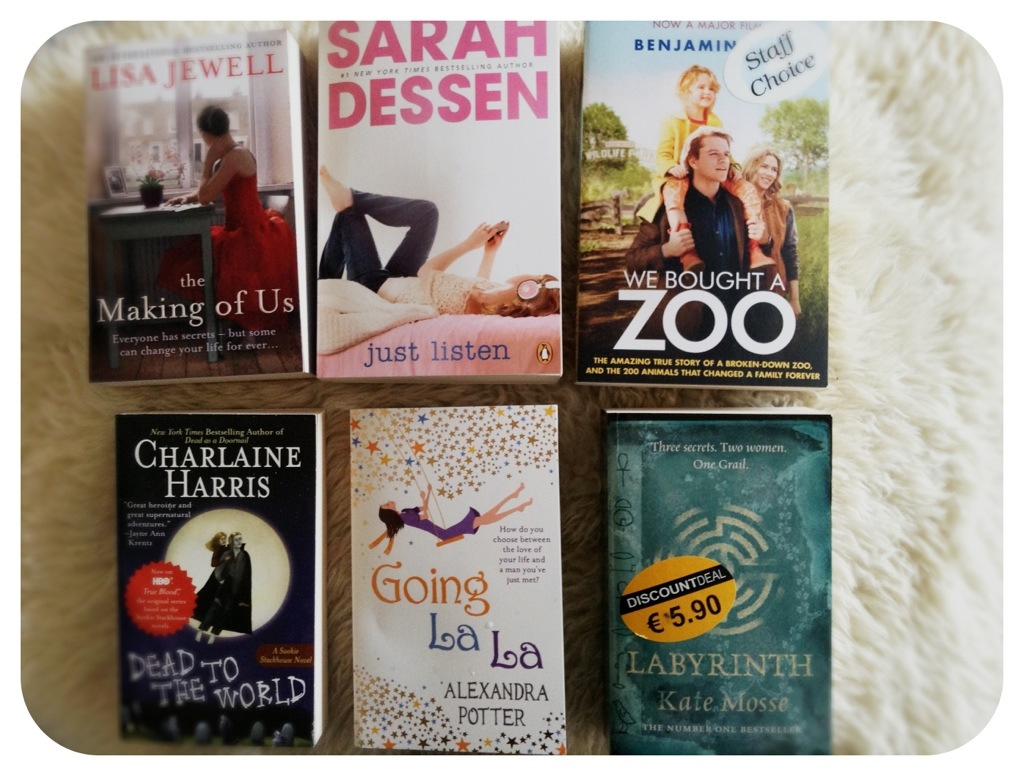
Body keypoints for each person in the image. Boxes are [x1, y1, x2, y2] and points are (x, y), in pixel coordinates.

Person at [318, 166, 559, 318]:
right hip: (401, 282)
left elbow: (427, 272)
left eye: (532, 277)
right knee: (427, 213)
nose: (527, 273)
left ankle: (326, 281)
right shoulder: (489, 302)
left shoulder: (480, 301)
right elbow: (482, 286)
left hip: (375, 288)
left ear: (526, 288)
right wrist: (489, 252)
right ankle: (351, 199)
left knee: (349, 216)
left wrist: (469, 244)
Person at [158, 105, 299, 331]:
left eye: (204, 138)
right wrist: (186, 197)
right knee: (194, 256)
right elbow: (210, 191)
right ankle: (243, 329)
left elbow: (205, 197)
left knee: (227, 271)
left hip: (250, 232)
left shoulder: (235, 156)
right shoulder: (231, 156)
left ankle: (248, 330)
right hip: (238, 230)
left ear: (206, 136)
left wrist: (207, 163)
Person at [624, 127, 768, 347]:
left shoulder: (739, 205)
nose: (723, 160)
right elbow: (632, 261)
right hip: (685, 323)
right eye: (713, 154)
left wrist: (765, 240)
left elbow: (757, 256)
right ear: (693, 161)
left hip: (735, 321)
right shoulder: (666, 209)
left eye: (726, 154)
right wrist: (667, 250)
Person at [634, 65, 771, 274]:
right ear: (685, 91)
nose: (708, 92)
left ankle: (754, 249)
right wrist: (671, 167)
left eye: (712, 89)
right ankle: (685, 251)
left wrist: (733, 165)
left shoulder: (714, 120)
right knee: (673, 194)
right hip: (680, 173)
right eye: (701, 87)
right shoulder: (672, 121)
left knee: (747, 189)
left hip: (707, 173)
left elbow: (722, 148)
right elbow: (662, 154)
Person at [372, 482, 533, 552]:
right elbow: (425, 516)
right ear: (389, 512)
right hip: (445, 534)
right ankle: (515, 504)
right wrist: (424, 498)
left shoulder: (405, 512)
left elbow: (425, 508)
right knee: (483, 519)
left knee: (484, 519)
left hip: (444, 531)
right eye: (386, 505)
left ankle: (514, 501)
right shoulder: (405, 518)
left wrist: (427, 493)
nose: (388, 502)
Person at [741, 148, 801, 317]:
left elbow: (790, 253)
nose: (769, 173)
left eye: (774, 170)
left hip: (773, 288)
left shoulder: (784, 208)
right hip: (738, 288)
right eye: (764, 167)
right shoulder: (733, 202)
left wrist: (795, 299)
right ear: (751, 167)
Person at [194, 531, 252, 643]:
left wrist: (243, 595)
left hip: (236, 590)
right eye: (236, 539)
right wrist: (221, 581)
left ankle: (214, 634)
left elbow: (246, 575)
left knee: (225, 613)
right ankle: (201, 630)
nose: (239, 541)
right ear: (232, 541)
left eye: (240, 539)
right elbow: (218, 570)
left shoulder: (245, 555)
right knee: (213, 610)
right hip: (224, 588)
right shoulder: (227, 553)